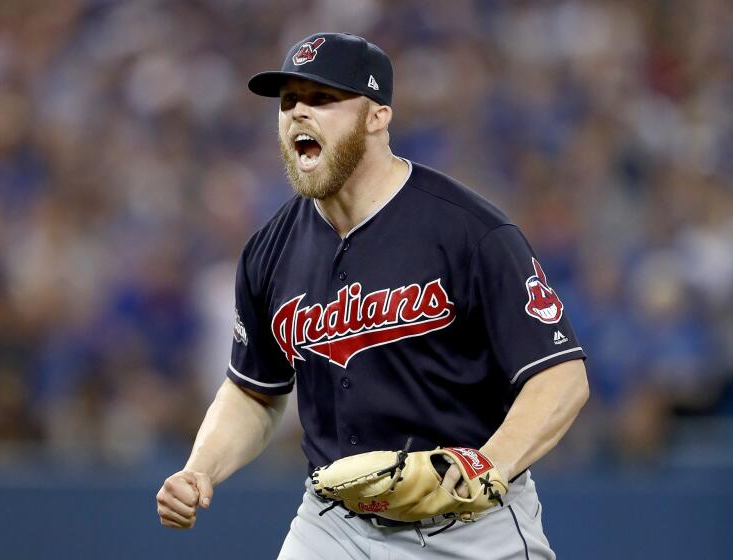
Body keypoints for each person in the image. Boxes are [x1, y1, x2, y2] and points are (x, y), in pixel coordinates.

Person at [156, 32, 589, 559]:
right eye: (288, 101)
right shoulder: (269, 251)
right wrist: (200, 469)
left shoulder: (470, 231)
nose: (298, 114)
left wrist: (485, 466)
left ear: (377, 116)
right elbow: (254, 390)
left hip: (467, 527)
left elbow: (561, 377)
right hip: (334, 524)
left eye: (322, 99)